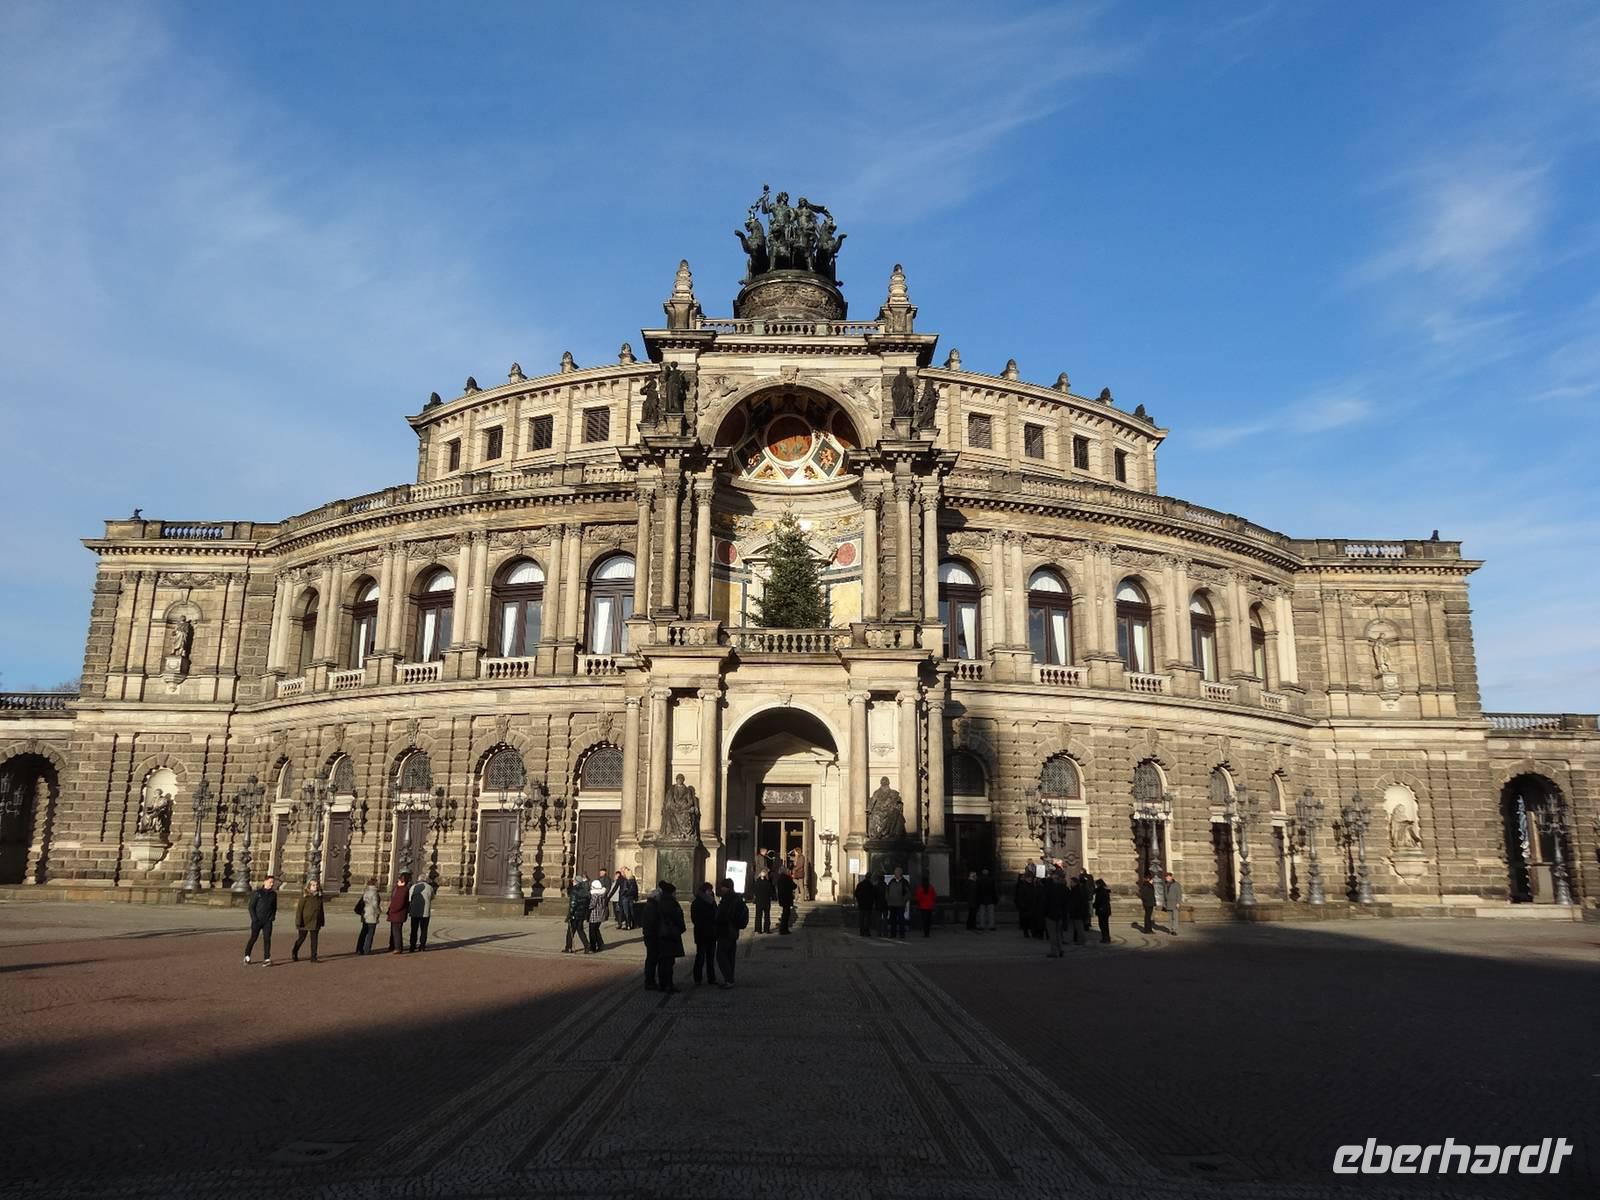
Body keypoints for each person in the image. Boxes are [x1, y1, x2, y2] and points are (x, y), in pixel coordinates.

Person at [714, 877, 747, 988]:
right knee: (730, 955)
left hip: (726, 930)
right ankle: (730, 979)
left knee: (721, 955)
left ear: (726, 888)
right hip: (734, 930)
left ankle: (728, 979)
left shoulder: (728, 899)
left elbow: (723, 915)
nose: (721, 888)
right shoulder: (737, 898)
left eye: (722, 886)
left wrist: (718, 919)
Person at [655, 881, 686, 993]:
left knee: (662, 960)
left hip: (660, 934)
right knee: (669, 961)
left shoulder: (658, 902)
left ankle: (662, 984)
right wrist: (680, 929)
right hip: (670, 935)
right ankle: (669, 984)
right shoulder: (672, 903)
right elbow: (678, 918)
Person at [243, 874, 278, 965]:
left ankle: (267, 958)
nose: (272, 884)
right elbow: (251, 907)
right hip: (257, 920)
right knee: (253, 938)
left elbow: (274, 907)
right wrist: (254, 919)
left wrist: (272, 917)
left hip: (267, 921)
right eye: (270, 882)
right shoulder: (257, 893)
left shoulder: (273, 894)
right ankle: (247, 955)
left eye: (272, 882)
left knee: (267, 939)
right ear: (265, 882)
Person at [690, 882, 719, 985]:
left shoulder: (712, 901)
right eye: (710, 890)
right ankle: (698, 978)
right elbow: (695, 919)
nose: (711, 892)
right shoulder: (697, 902)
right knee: (701, 957)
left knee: (710, 958)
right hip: (702, 932)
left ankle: (711, 978)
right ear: (705, 891)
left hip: (710, 933)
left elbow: (717, 915)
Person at [292, 879, 325, 962]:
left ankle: (313, 957)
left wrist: (322, 920)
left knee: (314, 940)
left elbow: (321, 909)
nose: (315, 887)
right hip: (304, 921)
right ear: (309, 886)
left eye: (316, 885)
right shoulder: (305, 896)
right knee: (301, 938)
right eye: (313, 885)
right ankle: (295, 951)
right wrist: (298, 921)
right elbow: (299, 909)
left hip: (315, 921)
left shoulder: (319, 896)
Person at [1041, 869, 1068, 957]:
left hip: (1051, 913)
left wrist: (1044, 912)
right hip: (1060, 913)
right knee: (1059, 933)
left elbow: (1045, 901)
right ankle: (1060, 950)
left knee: (1052, 934)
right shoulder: (1065, 888)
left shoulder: (1051, 888)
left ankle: (1054, 951)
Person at [640, 886, 662, 989]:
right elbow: (652, 922)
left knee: (652, 959)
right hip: (652, 936)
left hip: (650, 935)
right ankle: (649, 982)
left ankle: (650, 981)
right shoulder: (652, 907)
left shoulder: (651, 905)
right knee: (652, 959)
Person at [565, 873, 592, 953]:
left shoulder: (574, 890)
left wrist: (569, 915)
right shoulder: (585, 890)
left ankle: (568, 947)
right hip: (582, 913)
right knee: (580, 930)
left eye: (574, 880)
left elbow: (573, 904)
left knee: (570, 932)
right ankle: (587, 947)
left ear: (576, 882)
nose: (573, 881)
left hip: (575, 914)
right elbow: (587, 902)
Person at [409, 874, 435, 952]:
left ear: (418, 879)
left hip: (414, 911)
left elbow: (410, 898)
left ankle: (412, 946)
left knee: (414, 929)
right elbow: (432, 897)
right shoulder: (430, 887)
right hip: (425, 912)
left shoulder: (413, 887)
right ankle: (422, 946)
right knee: (424, 929)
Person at [355, 875, 381, 955]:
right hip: (372, 914)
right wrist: (379, 912)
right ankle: (366, 949)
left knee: (363, 932)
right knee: (370, 933)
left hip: (365, 914)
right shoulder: (374, 893)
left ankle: (359, 948)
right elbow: (375, 904)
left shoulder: (365, 892)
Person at [884, 867, 912, 939]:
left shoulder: (904, 882)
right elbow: (887, 891)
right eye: (894, 872)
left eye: (896, 872)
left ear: (900, 873)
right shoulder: (891, 881)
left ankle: (902, 934)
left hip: (900, 905)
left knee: (901, 920)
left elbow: (908, 893)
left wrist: (903, 900)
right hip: (892, 904)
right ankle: (893, 934)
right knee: (892, 920)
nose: (894, 873)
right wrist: (888, 899)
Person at [387, 873, 411, 953]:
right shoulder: (398, 889)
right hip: (395, 914)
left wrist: (392, 910)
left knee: (396, 931)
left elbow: (399, 903)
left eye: (399, 879)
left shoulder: (403, 890)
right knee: (394, 930)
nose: (398, 881)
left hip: (398, 914)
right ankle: (393, 945)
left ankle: (398, 948)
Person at [1067, 871, 1091, 945]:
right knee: (1078, 927)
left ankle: (1081, 940)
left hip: (1077, 913)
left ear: (1075, 883)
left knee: (1079, 927)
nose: (1070, 883)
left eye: (1071, 882)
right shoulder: (1076, 890)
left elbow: (1077, 903)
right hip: (1077, 912)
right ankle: (1080, 939)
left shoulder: (1077, 891)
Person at [587, 877, 609, 952]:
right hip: (600, 913)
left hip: (594, 914)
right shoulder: (603, 894)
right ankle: (600, 944)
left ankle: (593, 947)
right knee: (596, 930)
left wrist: (587, 907)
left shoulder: (595, 894)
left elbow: (592, 904)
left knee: (592, 931)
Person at [1014, 870, 1037, 938]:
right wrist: (1023, 905)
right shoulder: (1023, 886)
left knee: (1032, 921)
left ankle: (1033, 933)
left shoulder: (1033, 885)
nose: (1030, 879)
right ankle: (1026, 932)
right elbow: (1020, 897)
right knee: (1026, 921)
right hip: (1026, 906)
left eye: (1031, 877)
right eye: (1029, 877)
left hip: (1032, 905)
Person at [853, 872, 877, 937]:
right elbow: (873, 895)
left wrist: (858, 900)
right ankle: (867, 932)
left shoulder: (860, 884)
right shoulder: (871, 886)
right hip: (868, 905)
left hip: (861, 904)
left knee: (862, 918)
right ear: (870, 878)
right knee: (867, 919)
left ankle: (862, 932)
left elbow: (856, 894)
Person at [752, 868, 774, 935]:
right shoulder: (767, 883)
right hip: (766, 901)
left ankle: (758, 929)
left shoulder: (757, 882)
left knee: (759, 915)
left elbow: (754, 891)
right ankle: (766, 929)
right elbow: (771, 892)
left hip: (760, 901)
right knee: (766, 916)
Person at [775, 867, 797, 935]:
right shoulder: (787, 878)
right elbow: (794, 886)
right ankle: (784, 929)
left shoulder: (779, 879)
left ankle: (783, 929)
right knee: (786, 914)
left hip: (782, 898)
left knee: (785, 913)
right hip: (787, 898)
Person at [1164, 870, 1184, 937]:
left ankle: (1175, 930)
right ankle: (1170, 929)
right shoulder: (1165, 884)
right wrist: (1164, 903)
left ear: (1171, 877)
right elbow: (1164, 894)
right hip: (1168, 903)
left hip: (1175, 903)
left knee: (1175, 917)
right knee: (1169, 918)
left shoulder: (1176, 884)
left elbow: (1179, 894)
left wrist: (1178, 902)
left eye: (1168, 877)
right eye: (1166, 877)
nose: (1167, 878)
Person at [1093, 878, 1113, 943]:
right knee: (1105, 925)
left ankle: (1105, 938)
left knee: (1102, 925)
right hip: (1106, 910)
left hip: (1102, 910)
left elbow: (1099, 901)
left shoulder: (1100, 891)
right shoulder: (1105, 891)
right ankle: (1107, 937)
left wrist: (1094, 905)